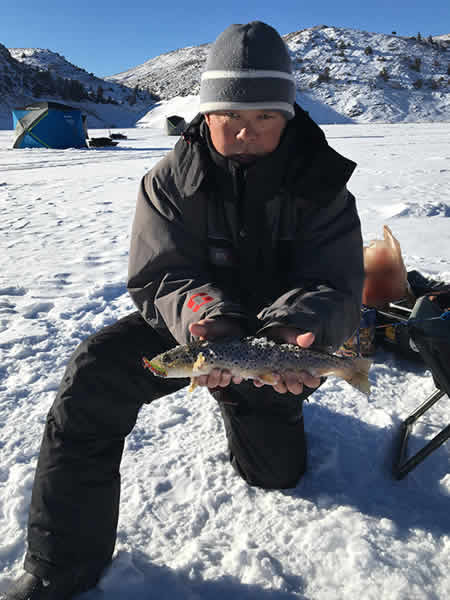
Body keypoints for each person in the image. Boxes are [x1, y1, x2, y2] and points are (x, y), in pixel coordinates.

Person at [2, 21, 364, 600]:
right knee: (94, 373)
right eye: (232, 120)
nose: (247, 133)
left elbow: (337, 282)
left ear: (288, 117)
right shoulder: (170, 180)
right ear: (206, 116)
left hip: (279, 345)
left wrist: (298, 328)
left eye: (265, 119)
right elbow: (160, 272)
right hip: (199, 330)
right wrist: (208, 322)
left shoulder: (323, 186)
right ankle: (58, 568)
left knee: (275, 475)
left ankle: (245, 402)